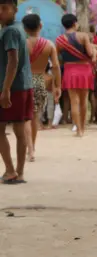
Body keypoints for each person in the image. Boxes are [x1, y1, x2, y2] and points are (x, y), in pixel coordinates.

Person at [0, 0, 33, 184]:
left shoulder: (10, 31)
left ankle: (10, 170)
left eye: (4, 8)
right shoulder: (19, 28)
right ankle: (18, 172)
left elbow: (12, 60)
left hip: (12, 87)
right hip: (23, 84)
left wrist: (5, 90)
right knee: (20, 129)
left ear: (14, 10)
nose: (0, 12)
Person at [22, 13, 61, 162]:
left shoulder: (21, 43)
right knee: (34, 117)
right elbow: (56, 66)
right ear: (41, 25)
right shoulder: (49, 44)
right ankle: (32, 149)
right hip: (40, 80)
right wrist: (58, 85)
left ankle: (29, 149)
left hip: (23, 81)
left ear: (24, 28)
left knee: (25, 118)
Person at [56, 14, 95, 137]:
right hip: (84, 69)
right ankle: (83, 128)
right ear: (74, 23)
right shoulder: (83, 36)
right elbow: (90, 53)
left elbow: (57, 58)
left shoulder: (59, 40)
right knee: (84, 101)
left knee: (74, 101)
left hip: (69, 70)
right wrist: (94, 51)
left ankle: (78, 130)